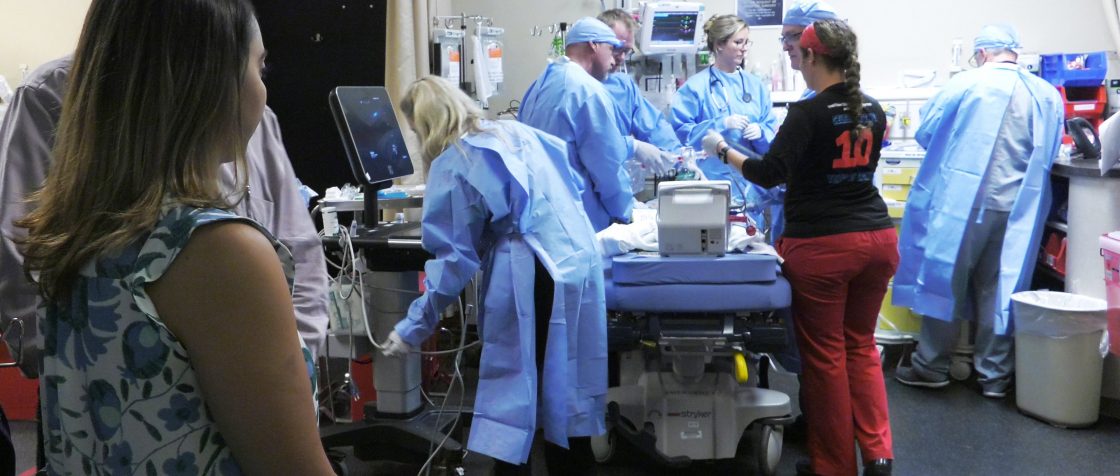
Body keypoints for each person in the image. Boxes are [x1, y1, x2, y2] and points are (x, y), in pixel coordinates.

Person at [15, 0, 334, 473]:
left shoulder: (76, 234)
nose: (264, 88)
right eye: (259, 65)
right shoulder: (219, 253)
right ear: (211, 80)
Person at [0, 60, 331, 379]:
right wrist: (71, 373)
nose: (257, 84)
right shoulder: (52, 95)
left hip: (259, 380)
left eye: (260, 67)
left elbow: (302, 252)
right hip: (98, 383)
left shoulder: (254, 117)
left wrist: (290, 366)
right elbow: (19, 255)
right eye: (256, 64)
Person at [382, 76, 606, 474]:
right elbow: (568, 183)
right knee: (567, 386)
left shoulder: (457, 160)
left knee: (514, 391)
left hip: (533, 266)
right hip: (576, 257)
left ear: (426, 126)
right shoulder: (515, 131)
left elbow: (454, 258)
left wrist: (412, 327)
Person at [702, 19, 895, 476]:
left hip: (825, 247)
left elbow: (769, 173)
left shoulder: (807, 113)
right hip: (878, 240)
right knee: (861, 347)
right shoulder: (873, 109)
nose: (793, 57)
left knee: (826, 358)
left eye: (796, 50)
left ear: (811, 57)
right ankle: (879, 454)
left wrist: (722, 150)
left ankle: (834, 466)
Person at [893, 25, 1064, 399]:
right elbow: (1052, 150)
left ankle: (930, 366)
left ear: (983, 53)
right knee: (999, 288)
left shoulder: (966, 84)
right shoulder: (1046, 94)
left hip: (961, 205)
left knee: (944, 281)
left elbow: (927, 131)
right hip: (1019, 208)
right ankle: (995, 377)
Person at [669, 14, 781, 236]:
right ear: (719, 45)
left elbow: (771, 133)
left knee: (749, 245)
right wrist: (720, 124)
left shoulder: (755, 86)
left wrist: (761, 132)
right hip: (710, 185)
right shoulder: (695, 88)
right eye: (738, 42)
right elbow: (681, 135)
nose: (744, 48)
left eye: (746, 42)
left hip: (750, 188)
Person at [519, 17, 633, 231]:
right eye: (611, 49)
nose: (614, 60)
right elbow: (607, 167)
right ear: (594, 45)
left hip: (540, 215)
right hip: (577, 219)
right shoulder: (587, 91)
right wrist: (625, 213)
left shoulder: (539, 85)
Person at [597, 9, 681, 179]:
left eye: (627, 51)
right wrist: (632, 146)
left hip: (616, 183)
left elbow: (653, 127)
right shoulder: (575, 86)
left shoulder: (623, 85)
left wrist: (680, 158)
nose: (621, 58)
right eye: (616, 48)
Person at [781, 0, 842, 100]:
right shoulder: (810, 95)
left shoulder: (811, 105)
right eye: (784, 38)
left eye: (792, 36)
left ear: (823, 38)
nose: (785, 47)